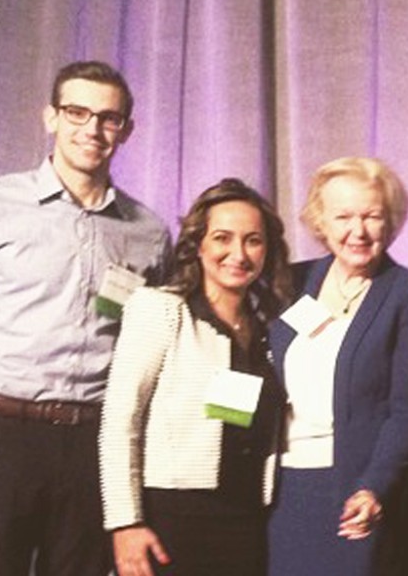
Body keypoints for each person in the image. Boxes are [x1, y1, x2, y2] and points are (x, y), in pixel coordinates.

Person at [0, 60, 169, 576]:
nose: (91, 129)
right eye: (77, 112)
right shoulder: (1, 203)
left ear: (127, 130)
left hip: (93, 441)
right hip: (6, 430)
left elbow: (154, 343)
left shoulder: (149, 232)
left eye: (108, 118)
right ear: (50, 117)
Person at [99, 178, 291, 575]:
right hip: (173, 518)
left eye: (253, 240)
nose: (238, 253)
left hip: (248, 519)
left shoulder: (269, 325)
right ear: (198, 244)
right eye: (223, 237)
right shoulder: (161, 310)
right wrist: (125, 522)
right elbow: (121, 421)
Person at [267, 157, 408, 575]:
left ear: (390, 222)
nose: (358, 231)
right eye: (343, 216)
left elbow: (406, 410)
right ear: (320, 220)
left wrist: (374, 486)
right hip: (281, 490)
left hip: (352, 492)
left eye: (372, 216)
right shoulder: (291, 282)